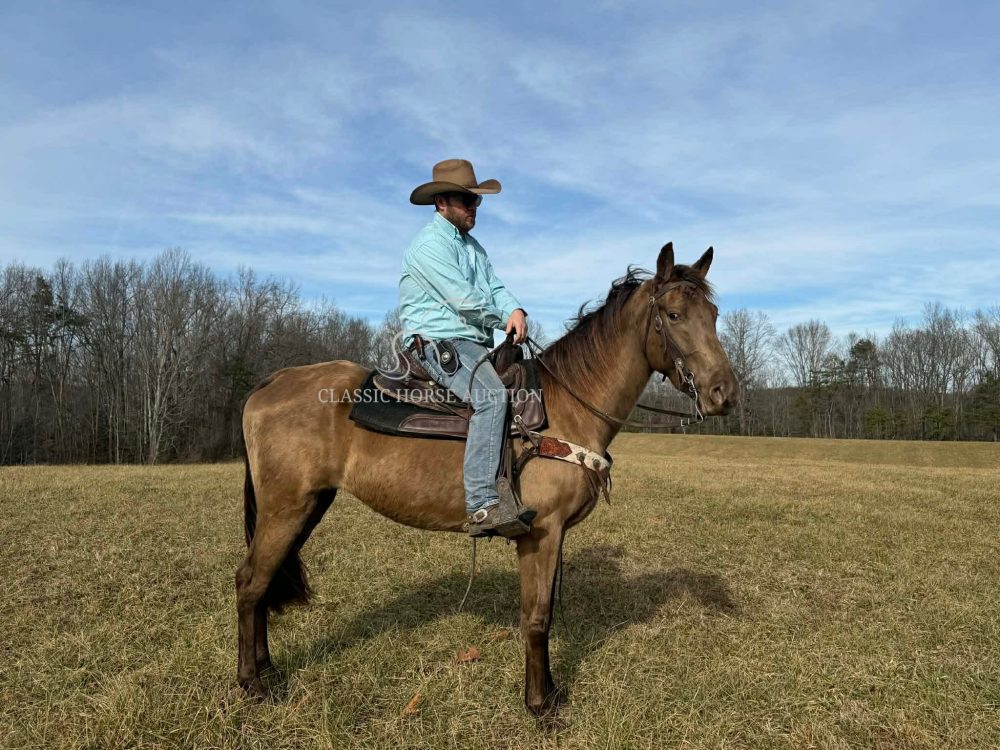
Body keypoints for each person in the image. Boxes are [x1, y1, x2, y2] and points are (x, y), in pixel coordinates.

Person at [399, 158, 534, 538]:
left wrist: (516, 308)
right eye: (464, 200)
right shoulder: (428, 246)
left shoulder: (474, 248)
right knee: (492, 396)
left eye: (476, 201)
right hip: (440, 343)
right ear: (441, 202)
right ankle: (481, 505)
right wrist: (501, 319)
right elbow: (466, 300)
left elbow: (494, 287)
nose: (473, 207)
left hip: (474, 344)